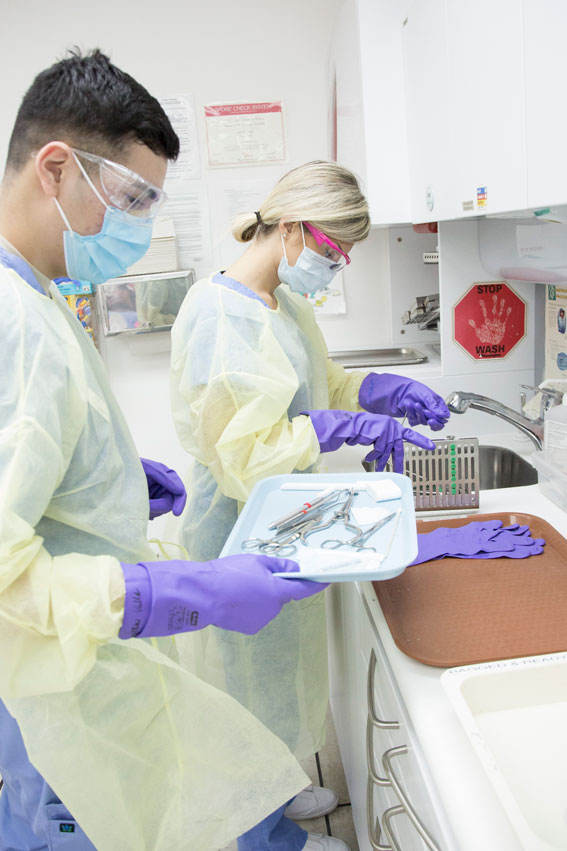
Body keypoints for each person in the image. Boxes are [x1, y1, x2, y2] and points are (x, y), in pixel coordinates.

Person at [0, 50, 327, 851]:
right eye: (132, 196)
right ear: (55, 167)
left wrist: (104, 485)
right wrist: (180, 589)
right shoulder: (16, 322)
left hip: (65, 673)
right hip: (56, 678)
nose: (142, 222)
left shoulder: (35, 298)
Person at [170, 161, 450, 851]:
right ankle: (261, 836)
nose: (335, 267)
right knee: (243, 696)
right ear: (290, 229)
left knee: (284, 678)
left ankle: (282, 784)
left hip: (284, 521)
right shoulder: (220, 317)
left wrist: (374, 391)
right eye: (332, 252)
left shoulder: (282, 302)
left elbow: (318, 383)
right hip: (235, 532)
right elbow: (242, 454)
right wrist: (341, 428)